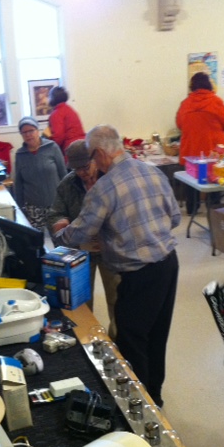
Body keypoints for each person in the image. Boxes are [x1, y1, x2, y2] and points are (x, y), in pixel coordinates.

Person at [54, 124, 181, 407]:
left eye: (91, 156)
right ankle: (155, 396)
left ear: (100, 153)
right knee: (157, 335)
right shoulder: (153, 171)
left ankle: (140, 408)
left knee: (131, 341)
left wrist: (60, 234)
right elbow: (174, 218)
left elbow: (81, 233)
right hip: (168, 265)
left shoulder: (104, 188)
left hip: (136, 275)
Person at [47, 140, 121, 340]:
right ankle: (87, 343)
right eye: (77, 169)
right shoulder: (68, 184)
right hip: (80, 254)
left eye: (86, 167)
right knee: (81, 305)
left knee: (118, 301)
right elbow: (54, 214)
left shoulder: (112, 179)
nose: (82, 173)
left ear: (94, 160)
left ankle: (117, 343)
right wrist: (61, 223)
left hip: (112, 252)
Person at [176, 71, 224, 214]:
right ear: (208, 84)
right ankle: (214, 210)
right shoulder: (216, 101)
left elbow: (179, 124)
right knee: (215, 180)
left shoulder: (185, 103)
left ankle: (191, 208)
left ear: (192, 86)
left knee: (191, 179)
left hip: (191, 149)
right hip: (213, 149)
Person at [14, 116, 67, 231]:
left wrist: (67, 200)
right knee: (36, 238)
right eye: (24, 132)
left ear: (37, 131)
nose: (28, 135)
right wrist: (20, 208)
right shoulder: (20, 155)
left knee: (59, 236)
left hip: (55, 204)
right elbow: (18, 183)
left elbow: (64, 175)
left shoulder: (52, 147)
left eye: (31, 131)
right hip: (33, 207)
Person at [46, 86, 86, 155]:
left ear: (53, 98)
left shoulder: (57, 113)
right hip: (82, 145)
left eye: (49, 97)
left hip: (70, 149)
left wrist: (49, 149)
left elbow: (59, 136)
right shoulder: (70, 109)